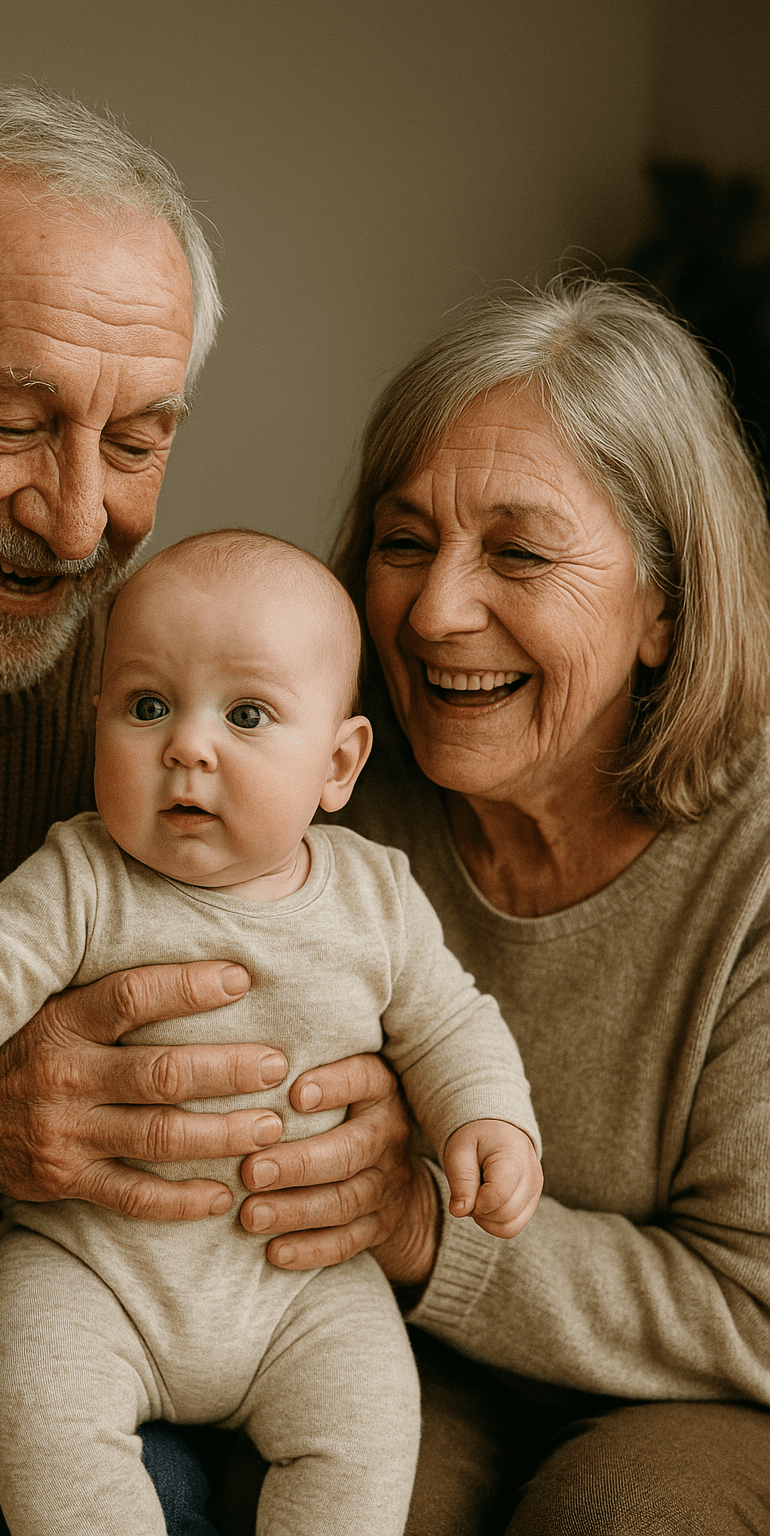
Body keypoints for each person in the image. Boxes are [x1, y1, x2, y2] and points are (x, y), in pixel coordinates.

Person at [0, 84, 412, 1536]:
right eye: (12, 419)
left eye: (135, 440)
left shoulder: (169, 685)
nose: (73, 521)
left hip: (33, 1313)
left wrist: (379, 1138)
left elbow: (361, 958)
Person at [0, 529, 542, 1536]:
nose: (187, 746)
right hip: (91, 1274)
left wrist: (488, 1121)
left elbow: (453, 1022)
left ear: (337, 762)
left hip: (299, 1289)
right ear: (97, 719)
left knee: (368, 1424)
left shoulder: (375, 898)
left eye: (246, 714)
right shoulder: (84, 878)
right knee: (35, 1399)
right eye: (147, 707)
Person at [326, 274, 770, 1534]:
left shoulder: (756, 859)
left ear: (664, 608)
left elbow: (753, 1310)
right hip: (399, 1345)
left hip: (703, 1394)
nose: (435, 609)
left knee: (618, 1515)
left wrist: (429, 1229)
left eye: (517, 551)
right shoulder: (333, 785)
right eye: (404, 541)